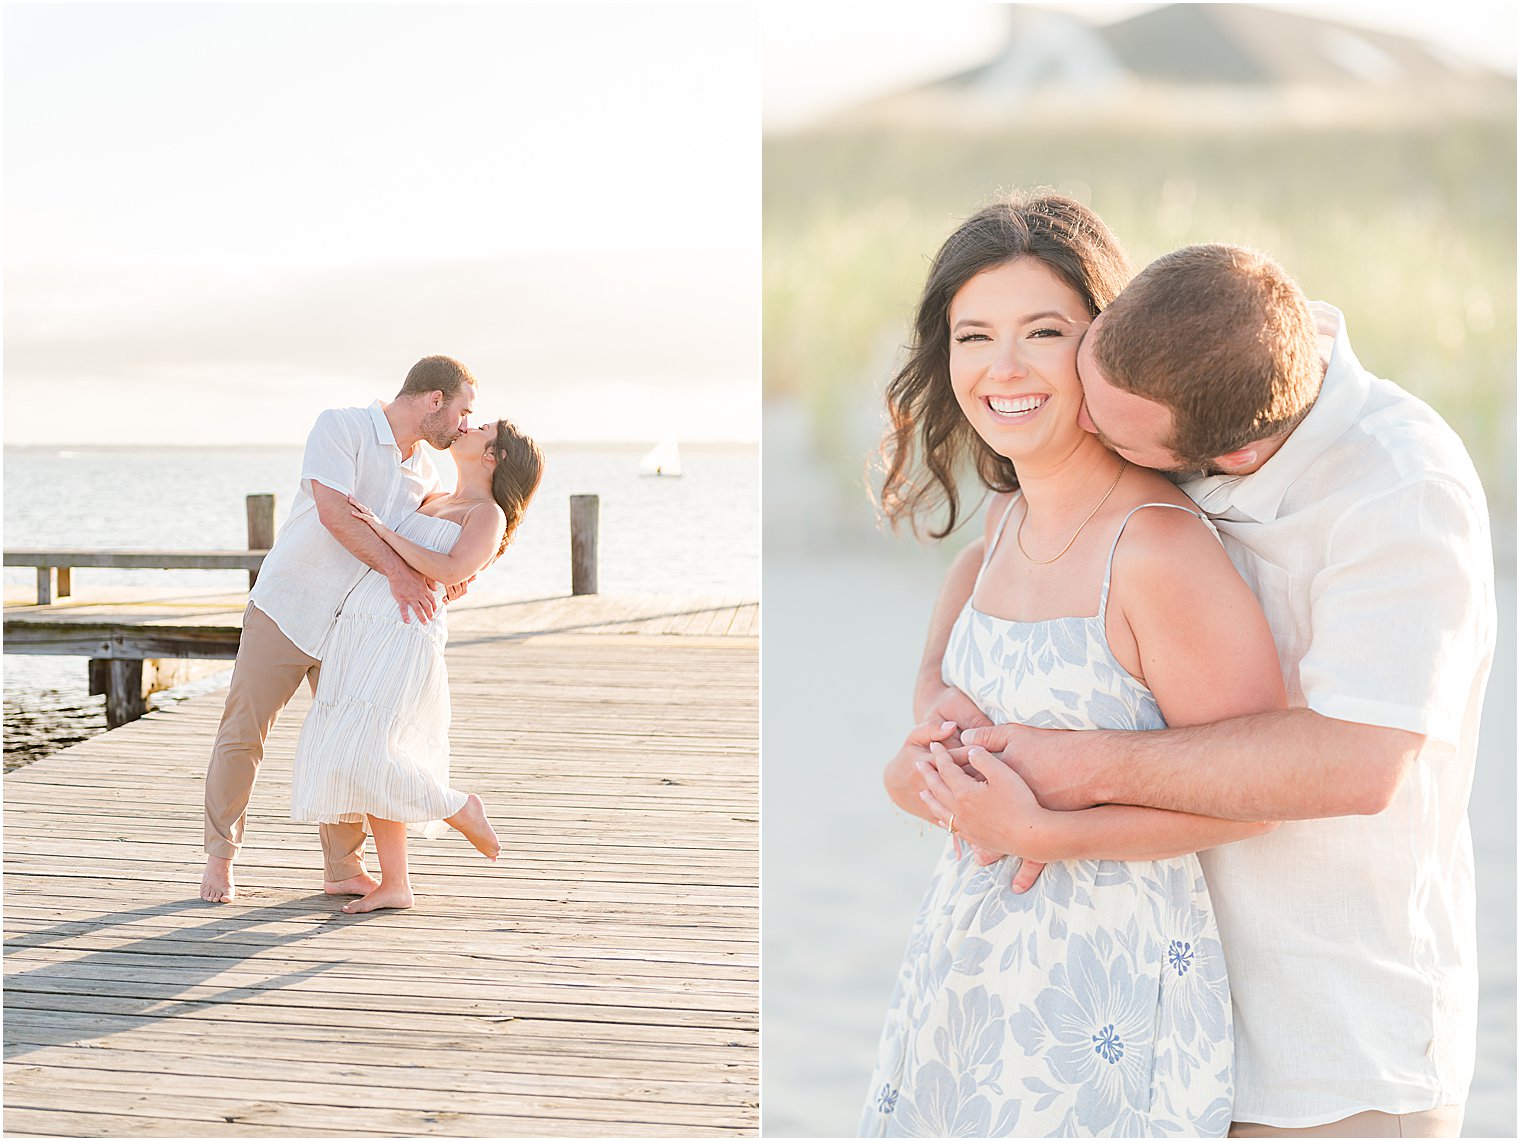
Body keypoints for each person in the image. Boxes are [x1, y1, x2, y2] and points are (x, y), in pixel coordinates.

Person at [914, 243, 1495, 1137]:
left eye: (1115, 439)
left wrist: (1078, 773)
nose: (1092, 437)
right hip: (1166, 1024)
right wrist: (933, 682)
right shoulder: (1202, 347)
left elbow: (1359, 762)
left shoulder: (1399, 491)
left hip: (1332, 1038)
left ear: (1232, 452)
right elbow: (1009, 533)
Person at [860, 195, 1288, 1138]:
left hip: (1104, 999)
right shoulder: (996, 534)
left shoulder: (1157, 550)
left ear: (1105, 346)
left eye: (1042, 330)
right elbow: (919, 766)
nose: (1001, 367)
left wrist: (1048, 830)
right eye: (973, 336)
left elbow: (1259, 793)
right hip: (966, 984)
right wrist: (936, 765)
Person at [199, 355, 478, 905]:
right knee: (243, 733)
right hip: (288, 606)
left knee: (348, 744)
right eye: (464, 411)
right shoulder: (341, 426)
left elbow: (429, 535)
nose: (466, 424)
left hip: (353, 629)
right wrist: (401, 574)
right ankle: (219, 859)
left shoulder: (428, 472)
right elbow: (334, 512)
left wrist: (449, 574)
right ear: (434, 400)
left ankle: (343, 870)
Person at [289, 418, 544, 914]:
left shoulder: (486, 514)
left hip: (404, 633)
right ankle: (395, 883)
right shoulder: (436, 499)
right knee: (364, 752)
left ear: (494, 456)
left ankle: (457, 806)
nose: (470, 424)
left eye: (483, 427)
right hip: (359, 625)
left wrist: (384, 532)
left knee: (370, 751)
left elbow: (451, 571)